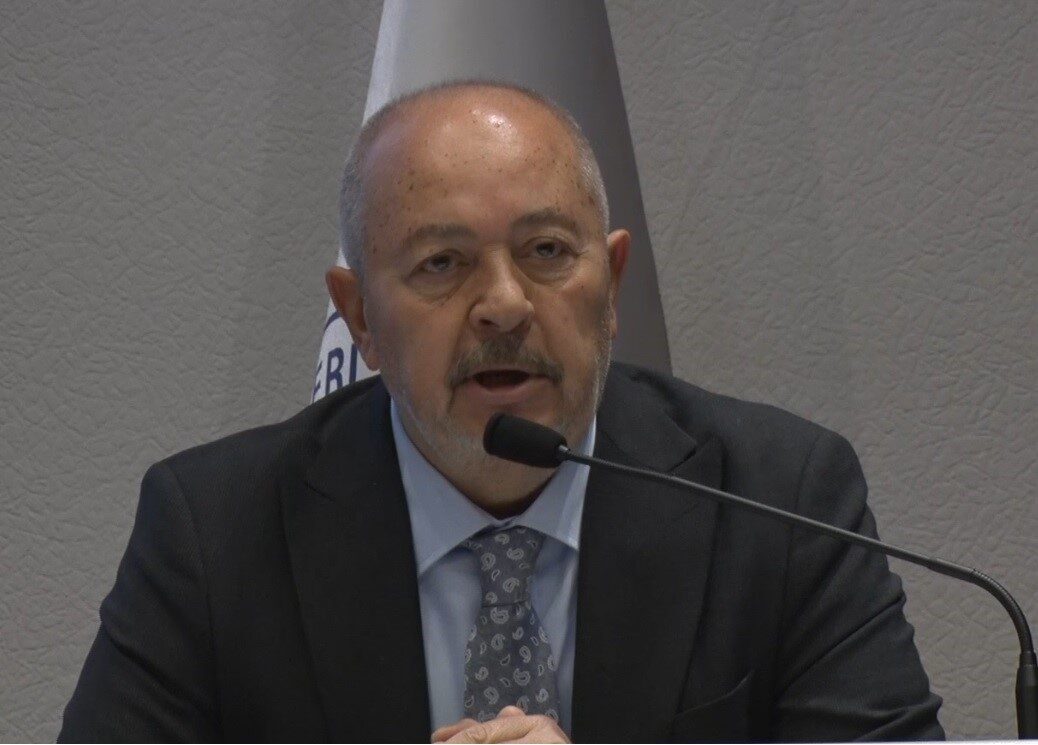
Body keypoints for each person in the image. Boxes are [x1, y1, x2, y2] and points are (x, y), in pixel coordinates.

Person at [60, 81, 943, 743]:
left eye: (547, 251)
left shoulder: (780, 502)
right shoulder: (215, 532)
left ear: (612, 286)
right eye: (442, 264)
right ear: (361, 316)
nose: (505, 305)